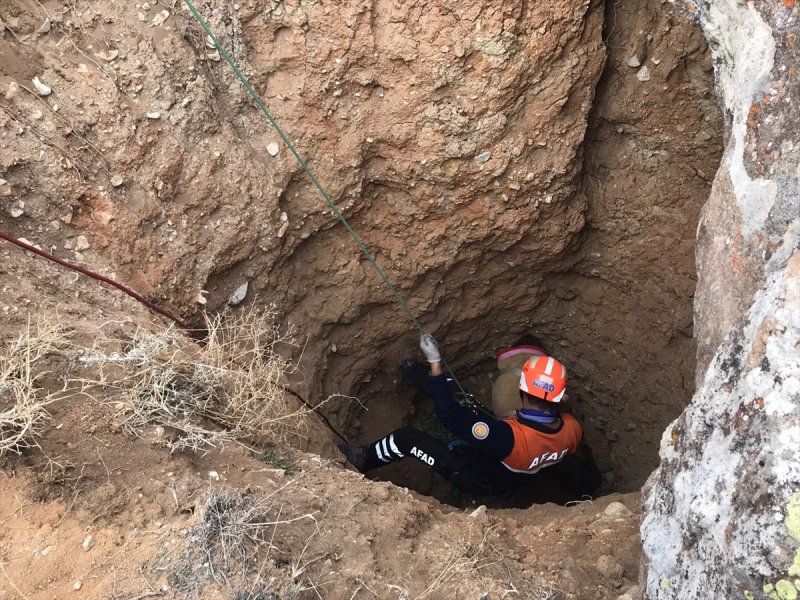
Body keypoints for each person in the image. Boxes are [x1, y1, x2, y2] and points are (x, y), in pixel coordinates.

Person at [339, 333, 601, 497]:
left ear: (521, 387)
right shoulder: (571, 428)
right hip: (519, 470)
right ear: (560, 398)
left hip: (478, 478)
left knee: (406, 439)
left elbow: (450, 417)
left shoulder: (506, 437)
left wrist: (435, 361)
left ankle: (362, 459)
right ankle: (413, 372)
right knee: (459, 398)